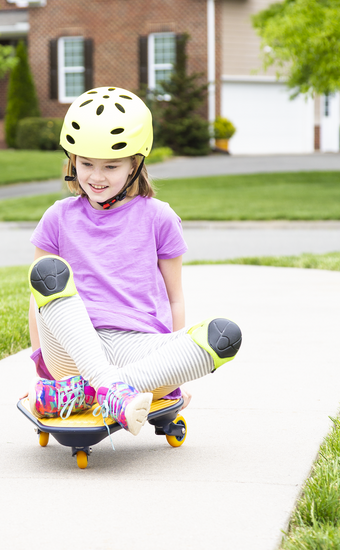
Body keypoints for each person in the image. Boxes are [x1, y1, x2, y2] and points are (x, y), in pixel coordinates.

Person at [26, 86, 242, 436]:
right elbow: (39, 301)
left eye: (111, 166)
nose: (96, 177)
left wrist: (171, 374)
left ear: (134, 164)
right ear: (72, 161)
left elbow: (174, 298)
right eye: (86, 164)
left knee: (223, 336)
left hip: (138, 351)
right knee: (47, 274)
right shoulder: (57, 218)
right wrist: (40, 364)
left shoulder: (160, 218)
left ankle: (85, 393)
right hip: (72, 350)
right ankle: (108, 388)